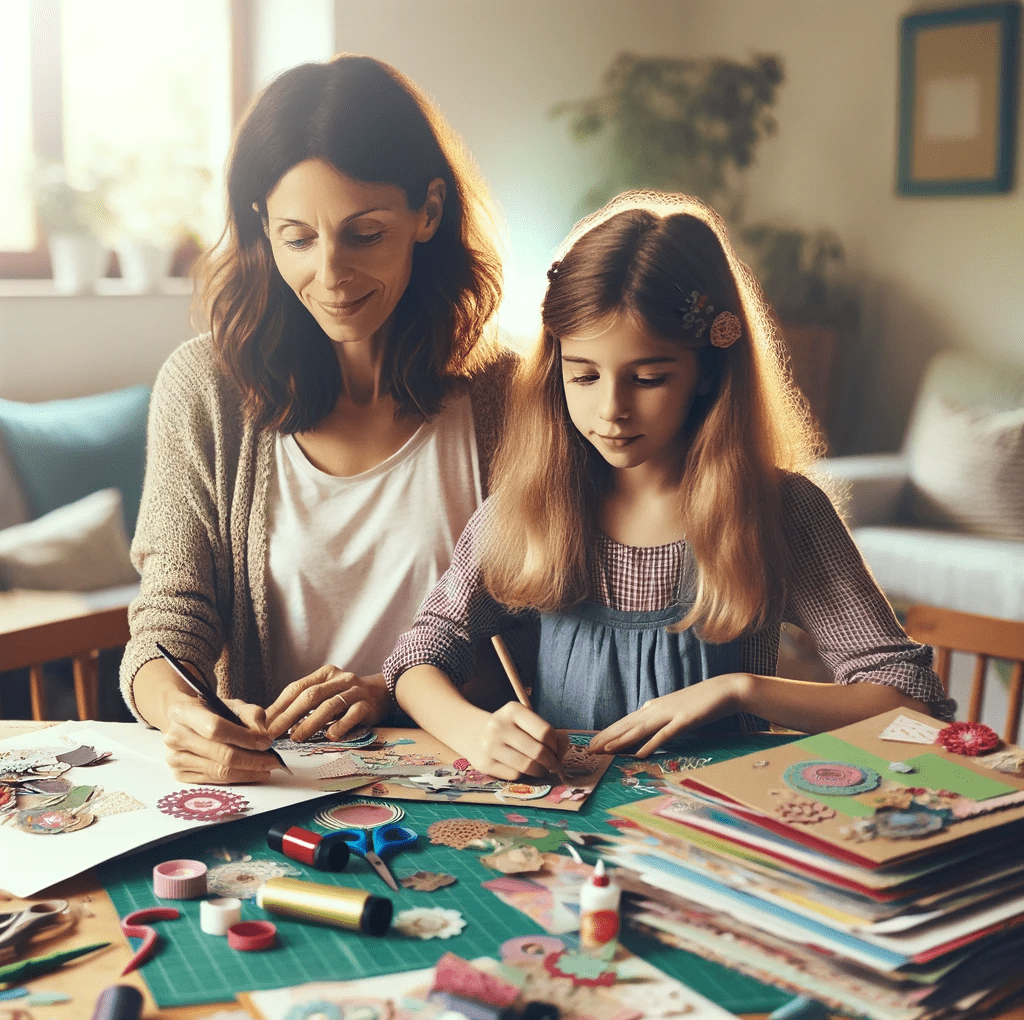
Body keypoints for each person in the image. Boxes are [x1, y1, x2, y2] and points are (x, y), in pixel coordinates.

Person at [383, 191, 954, 781]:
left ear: (708, 372)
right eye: (583, 376)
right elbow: (418, 658)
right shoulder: (529, 508)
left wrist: (740, 690)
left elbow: (909, 698)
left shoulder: (778, 510)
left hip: (723, 836)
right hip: (561, 838)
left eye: (649, 378)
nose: (611, 409)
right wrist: (475, 732)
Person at [120, 54, 513, 784]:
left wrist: (392, 690)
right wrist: (180, 711)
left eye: (364, 234)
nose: (330, 275)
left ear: (427, 211)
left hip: (463, 785)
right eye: (297, 238)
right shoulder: (203, 390)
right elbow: (168, 618)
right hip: (276, 790)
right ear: (260, 226)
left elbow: (544, 638)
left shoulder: (506, 400)